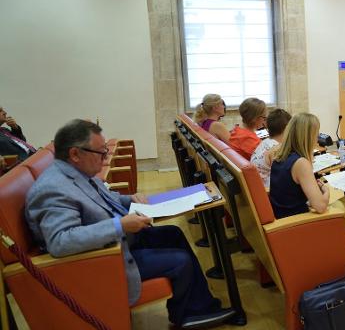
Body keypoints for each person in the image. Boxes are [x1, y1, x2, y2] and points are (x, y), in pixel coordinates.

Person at [25, 119, 234, 329]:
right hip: (104, 260)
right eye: (100, 152)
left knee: (173, 233)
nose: (105, 156)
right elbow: (60, 241)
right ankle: (190, 314)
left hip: (118, 243)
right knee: (180, 261)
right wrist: (120, 225)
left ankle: (198, 308)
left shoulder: (73, 172)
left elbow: (101, 197)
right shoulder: (53, 189)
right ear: (75, 154)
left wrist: (130, 199)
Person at [269, 113, 345, 240]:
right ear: (307, 136)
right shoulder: (301, 164)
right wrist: (326, 191)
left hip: (284, 220)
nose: (317, 138)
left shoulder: (279, 156)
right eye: (316, 134)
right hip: (300, 226)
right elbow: (320, 207)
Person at [251, 108, 292, 189]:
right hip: (269, 190)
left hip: (260, 186)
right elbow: (287, 174)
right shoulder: (276, 149)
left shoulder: (265, 142)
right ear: (288, 128)